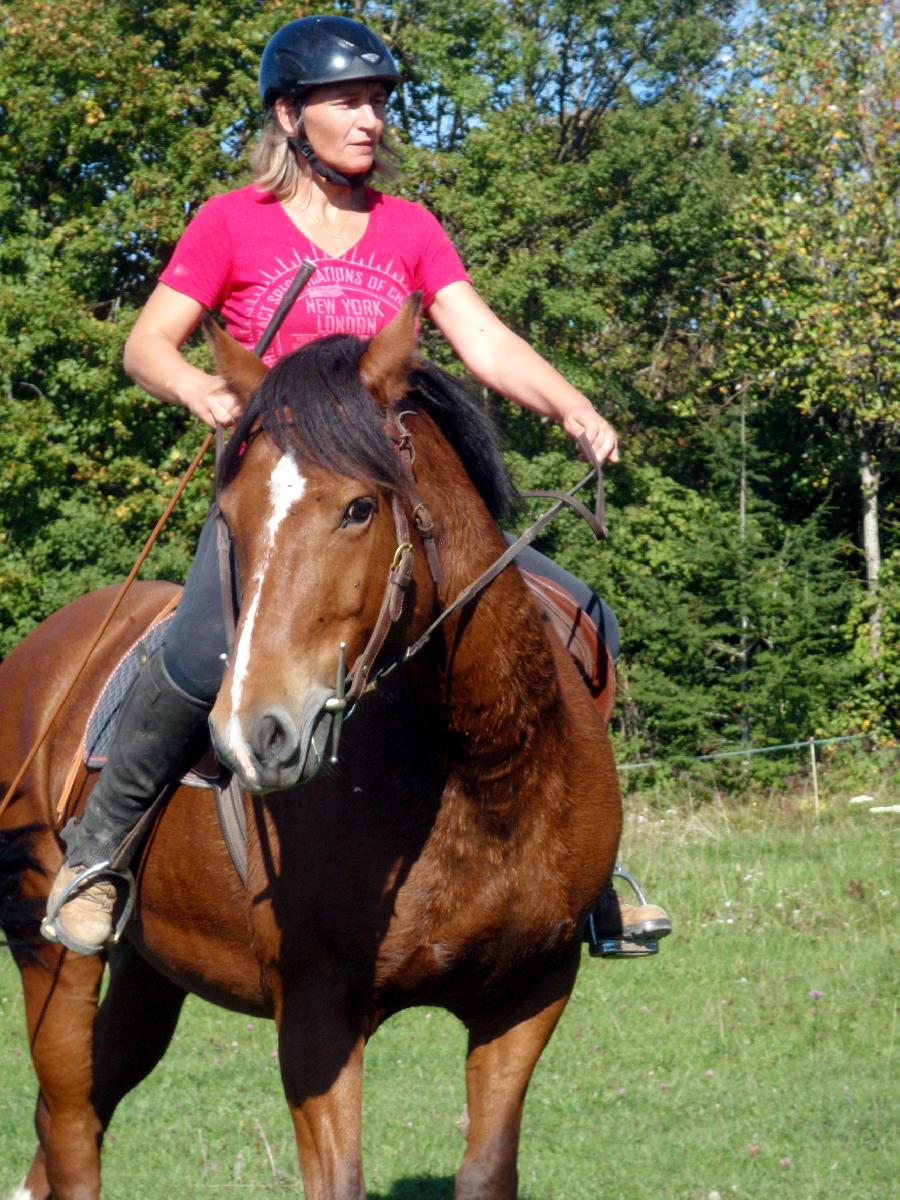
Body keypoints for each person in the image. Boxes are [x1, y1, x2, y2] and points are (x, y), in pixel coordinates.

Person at [42, 15, 670, 956]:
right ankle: (100, 855)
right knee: (202, 647)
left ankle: (584, 869)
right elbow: (146, 343)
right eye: (349, 101)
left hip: (399, 501)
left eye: (379, 100)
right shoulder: (230, 223)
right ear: (291, 115)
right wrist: (202, 388)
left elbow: (482, 339)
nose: (371, 118)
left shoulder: (408, 227)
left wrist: (572, 406)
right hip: (284, 501)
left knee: (577, 615)